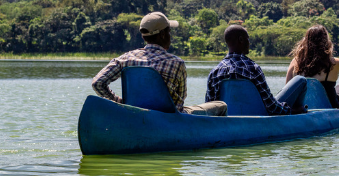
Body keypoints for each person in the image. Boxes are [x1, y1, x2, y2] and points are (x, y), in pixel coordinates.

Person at [92, 11, 227, 116]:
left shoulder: (124, 59)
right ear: (162, 34)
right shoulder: (176, 63)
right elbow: (180, 101)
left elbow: (97, 83)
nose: (170, 35)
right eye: (168, 31)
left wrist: (121, 103)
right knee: (221, 106)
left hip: (135, 115)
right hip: (170, 118)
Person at [206, 24, 307, 115]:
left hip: (229, 120)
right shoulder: (253, 68)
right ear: (241, 40)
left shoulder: (214, 72)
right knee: (300, 80)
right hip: (258, 119)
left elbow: (210, 108)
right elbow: (272, 108)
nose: (249, 43)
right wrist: (292, 110)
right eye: (247, 39)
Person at [286, 25, 339, 109]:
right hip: (331, 107)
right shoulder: (336, 63)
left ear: (306, 41)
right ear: (326, 42)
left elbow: (288, 87)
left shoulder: (295, 62)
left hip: (303, 107)